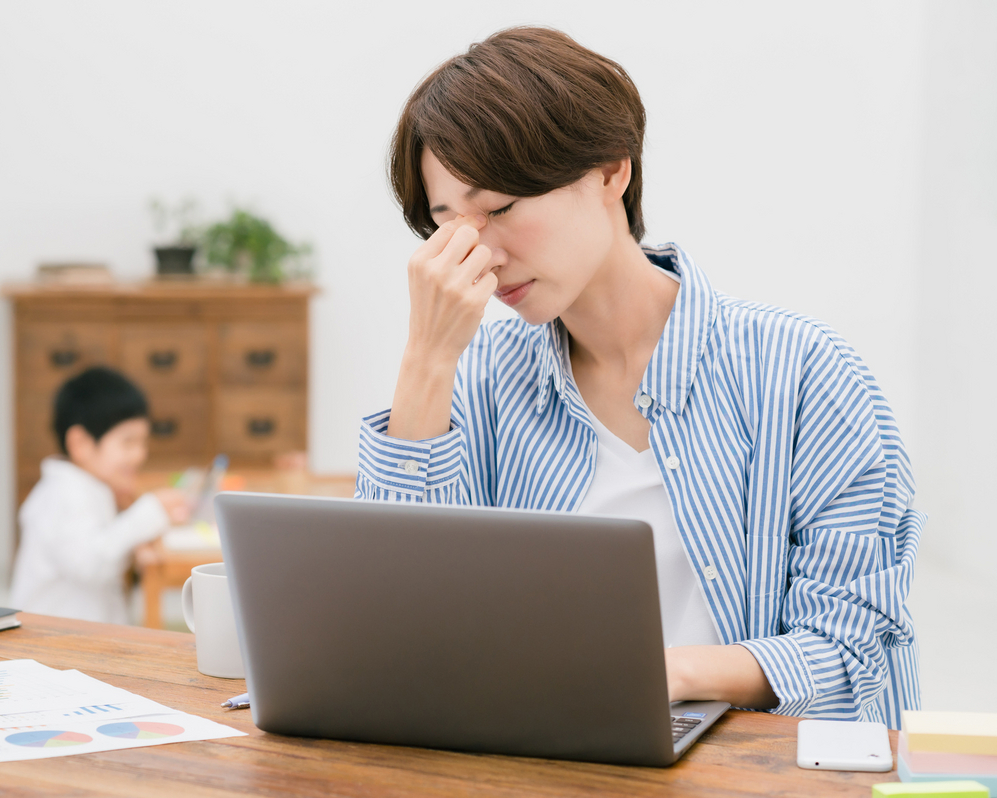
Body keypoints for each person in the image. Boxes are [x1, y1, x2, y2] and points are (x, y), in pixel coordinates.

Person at [356, 26, 922, 729]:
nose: (481, 252)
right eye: (448, 225)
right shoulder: (478, 379)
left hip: (752, 765)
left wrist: (653, 674)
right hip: (548, 757)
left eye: (499, 208)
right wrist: (426, 358)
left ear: (610, 173)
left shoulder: (802, 371)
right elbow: (399, 628)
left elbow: (852, 647)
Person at [10, 366, 190, 624]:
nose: (140, 454)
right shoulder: (64, 494)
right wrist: (151, 509)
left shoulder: (90, 487)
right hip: (54, 638)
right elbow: (91, 564)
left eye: (143, 442)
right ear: (80, 444)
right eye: (128, 442)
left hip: (79, 631)